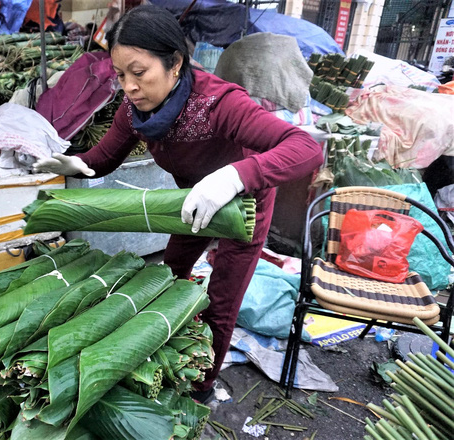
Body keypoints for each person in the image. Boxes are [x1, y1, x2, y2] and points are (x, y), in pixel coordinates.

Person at [33, 5, 324, 403]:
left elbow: (306, 149)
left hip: (243, 207)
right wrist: (77, 163)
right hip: (191, 204)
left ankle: (200, 387)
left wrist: (235, 176)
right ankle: (161, 358)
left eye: (139, 72)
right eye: (120, 76)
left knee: (222, 299)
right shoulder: (135, 111)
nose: (129, 86)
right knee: (167, 279)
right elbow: (106, 157)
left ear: (175, 64)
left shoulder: (218, 103)